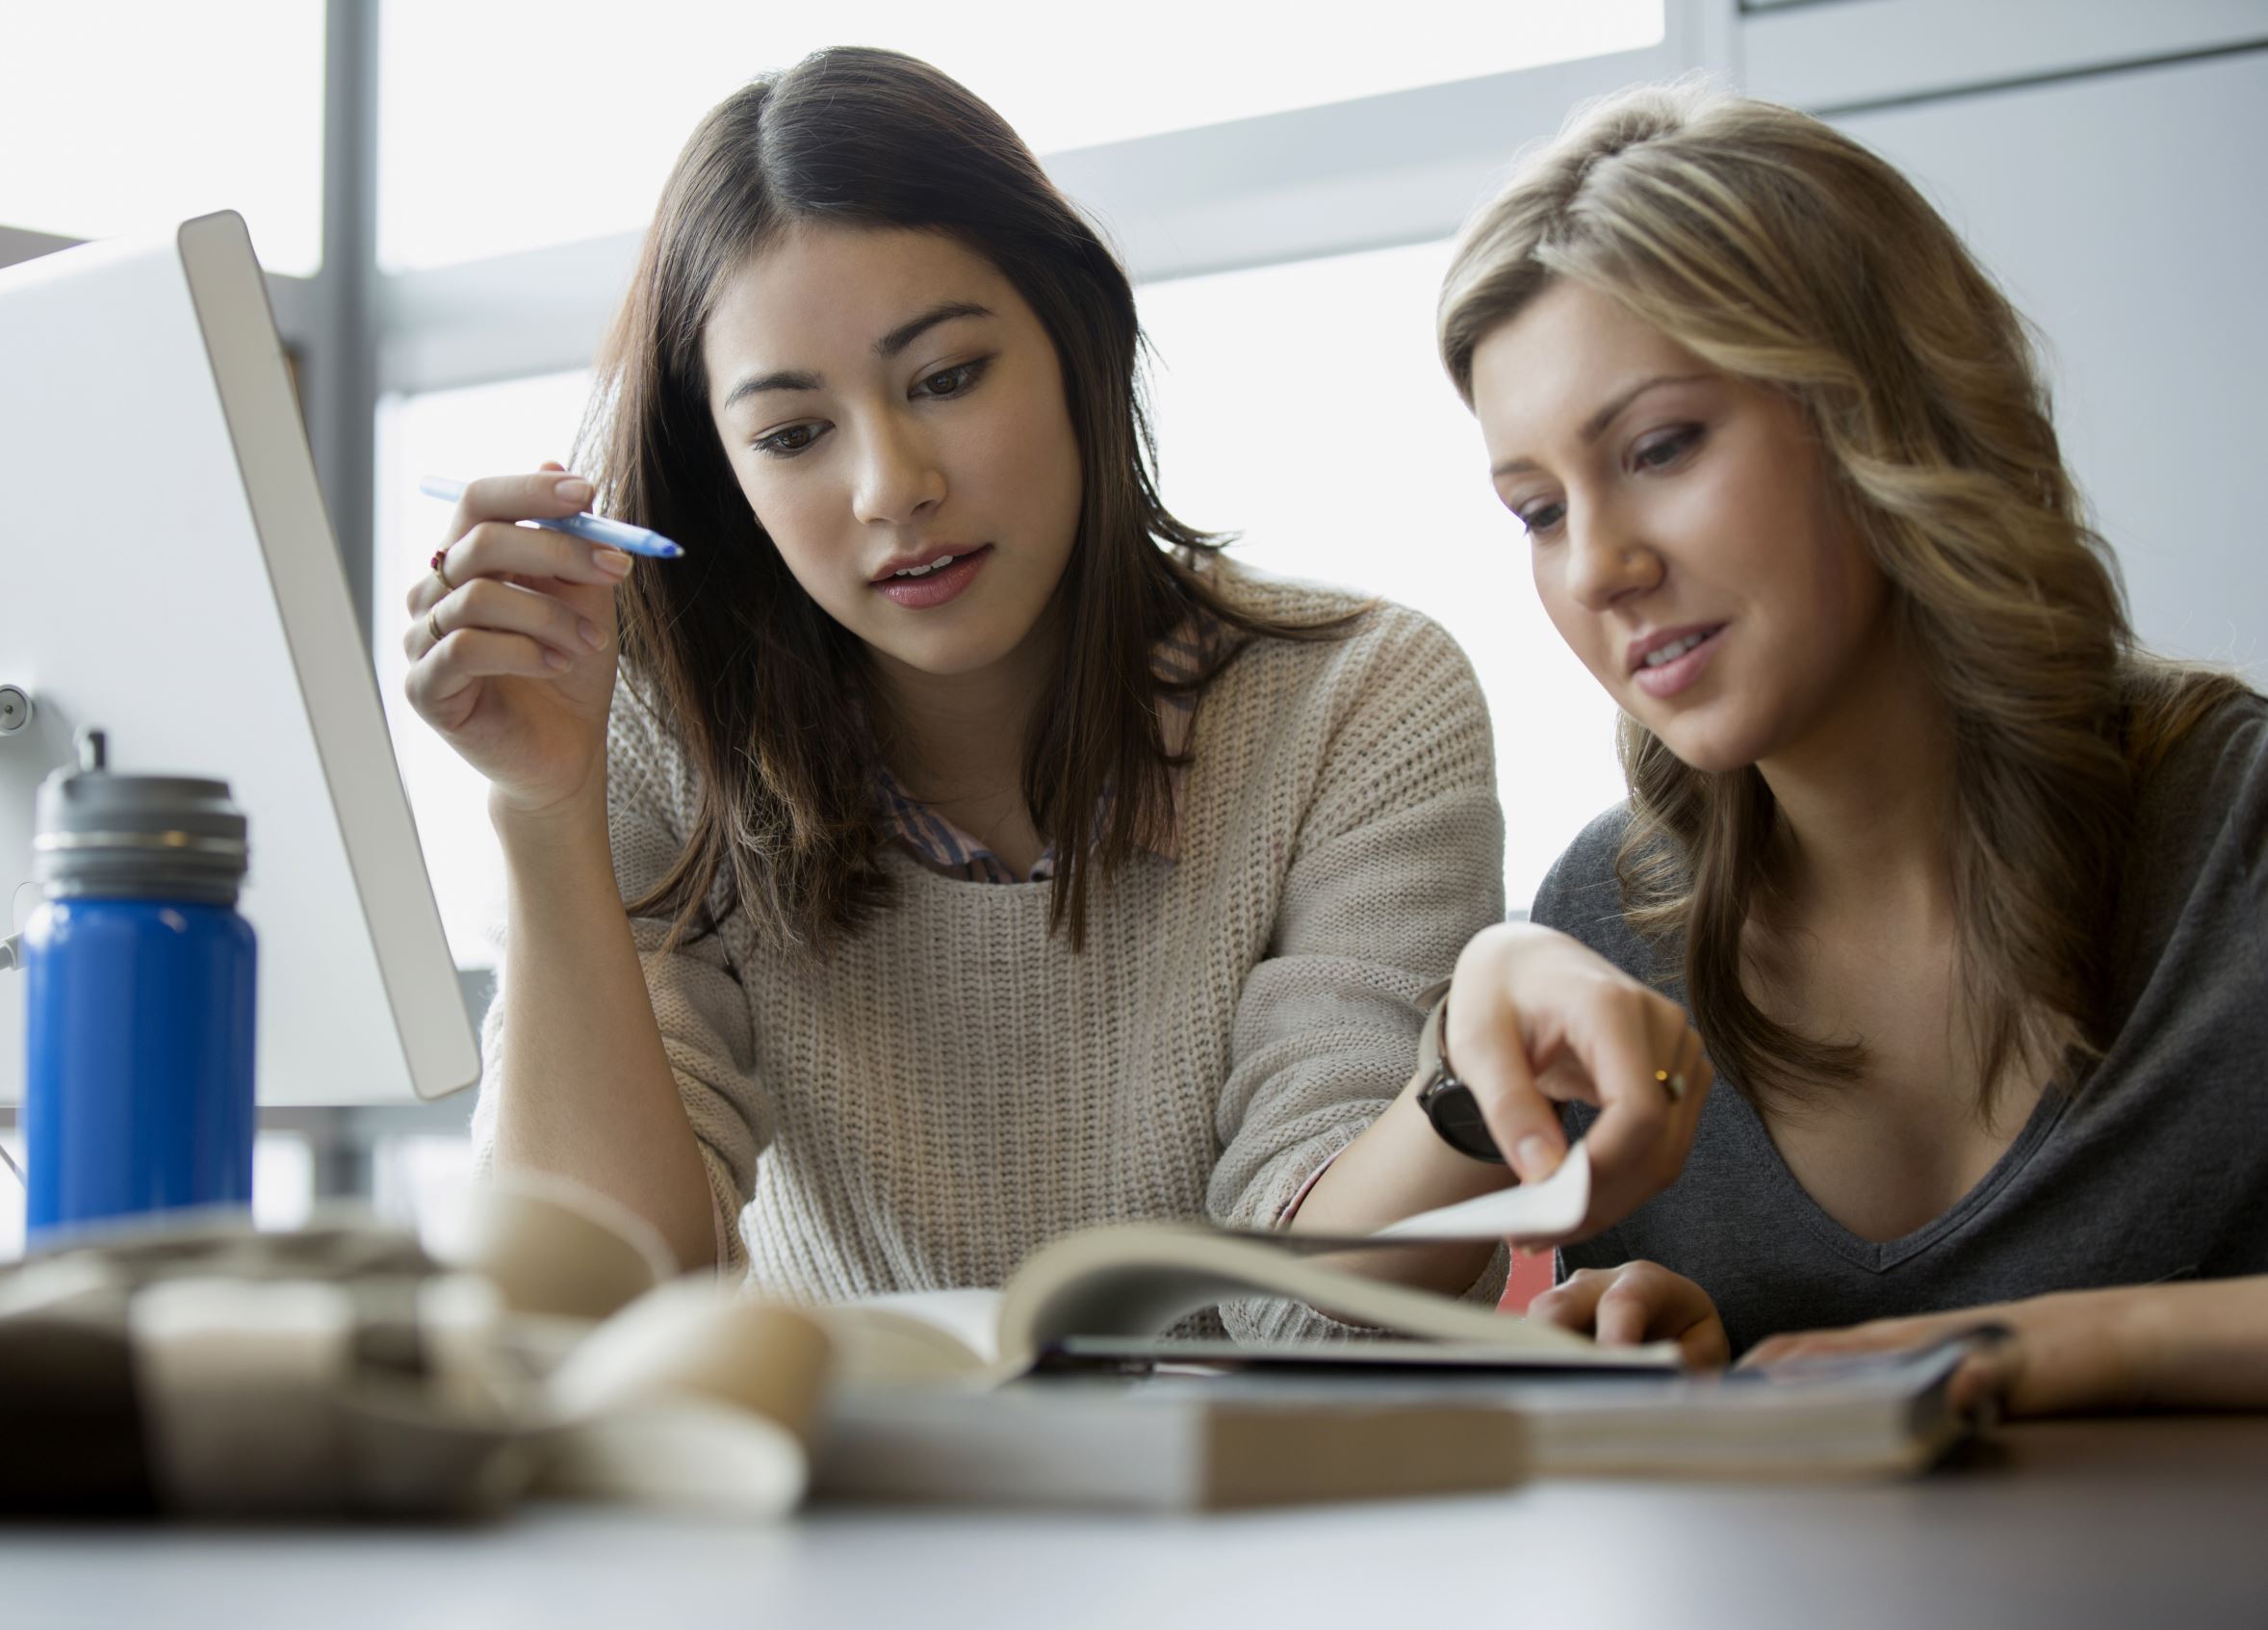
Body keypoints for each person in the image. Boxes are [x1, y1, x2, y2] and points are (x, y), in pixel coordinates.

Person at [399, 47, 1512, 1332]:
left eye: (946, 377)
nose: (892, 485)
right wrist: (543, 807)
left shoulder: (1358, 708)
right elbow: (594, 1301)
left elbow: (1317, 1312)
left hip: (1243, 1516)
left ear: (1076, 344)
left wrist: (1479, 1087)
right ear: (725, 480)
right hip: (833, 1519)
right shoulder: (658, 737)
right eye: (793, 435)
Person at [1426, 79, 2267, 1413]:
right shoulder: (1608, 922)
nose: (1599, 565)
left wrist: (2057, 1349)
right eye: (1536, 510)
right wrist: (1668, 1335)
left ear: (1879, 412)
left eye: (1661, 446)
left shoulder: (2237, 824)